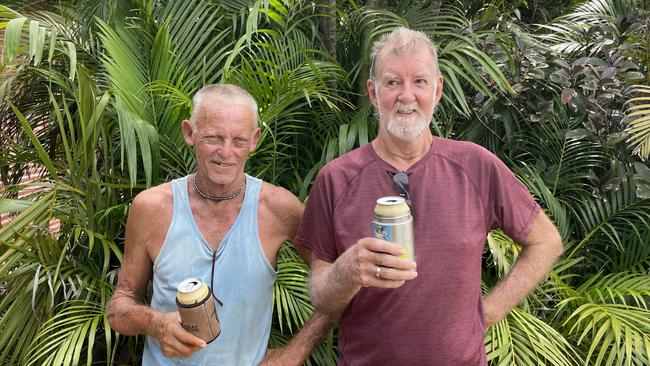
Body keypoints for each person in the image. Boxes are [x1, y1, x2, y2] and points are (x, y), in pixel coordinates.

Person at [294, 27, 563, 365]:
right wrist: (346, 270)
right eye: (393, 83)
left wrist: (486, 313)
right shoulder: (336, 178)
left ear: (436, 91)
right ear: (374, 92)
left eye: (419, 82)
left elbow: (546, 240)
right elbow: (321, 294)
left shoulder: (476, 165)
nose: (406, 96)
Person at [108, 84, 331, 365]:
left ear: (254, 140)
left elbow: (337, 283)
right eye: (214, 137)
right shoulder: (152, 208)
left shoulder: (278, 209)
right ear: (189, 133)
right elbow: (119, 306)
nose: (226, 152)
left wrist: (292, 354)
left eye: (238, 140)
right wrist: (157, 324)